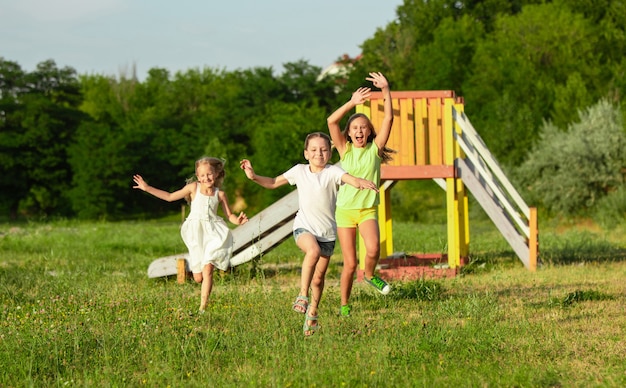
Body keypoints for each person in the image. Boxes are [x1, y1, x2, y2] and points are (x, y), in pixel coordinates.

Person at [239, 132, 377, 336]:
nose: (319, 154)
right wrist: (253, 176)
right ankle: (302, 296)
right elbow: (273, 182)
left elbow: (350, 179)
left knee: (319, 279)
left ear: (330, 153)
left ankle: (312, 313)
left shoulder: (333, 172)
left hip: (327, 234)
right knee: (312, 251)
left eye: (323, 150)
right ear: (306, 153)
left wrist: (361, 182)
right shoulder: (299, 171)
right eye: (313, 150)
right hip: (303, 227)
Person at [133, 157, 248, 313]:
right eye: (202, 175)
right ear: (197, 176)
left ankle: (203, 308)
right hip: (196, 234)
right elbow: (169, 197)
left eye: (209, 174)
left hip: (213, 233)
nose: (206, 178)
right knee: (198, 277)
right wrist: (147, 188)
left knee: (208, 270)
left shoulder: (220, 194)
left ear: (216, 173)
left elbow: (229, 216)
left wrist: (238, 221)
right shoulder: (193, 188)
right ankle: (201, 286)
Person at [327, 72, 396, 317]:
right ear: (349, 133)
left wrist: (385, 89)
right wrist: (351, 102)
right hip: (345, 212)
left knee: (374, 249)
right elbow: (331, 122)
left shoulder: (374, 150)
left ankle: (370, 275)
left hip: (367, 210)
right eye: (355, 128)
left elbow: (389, 118)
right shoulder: (345, 151)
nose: (359, 131)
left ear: (369, 133)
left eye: (363, 128)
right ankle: (344, 304)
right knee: (349, 263)